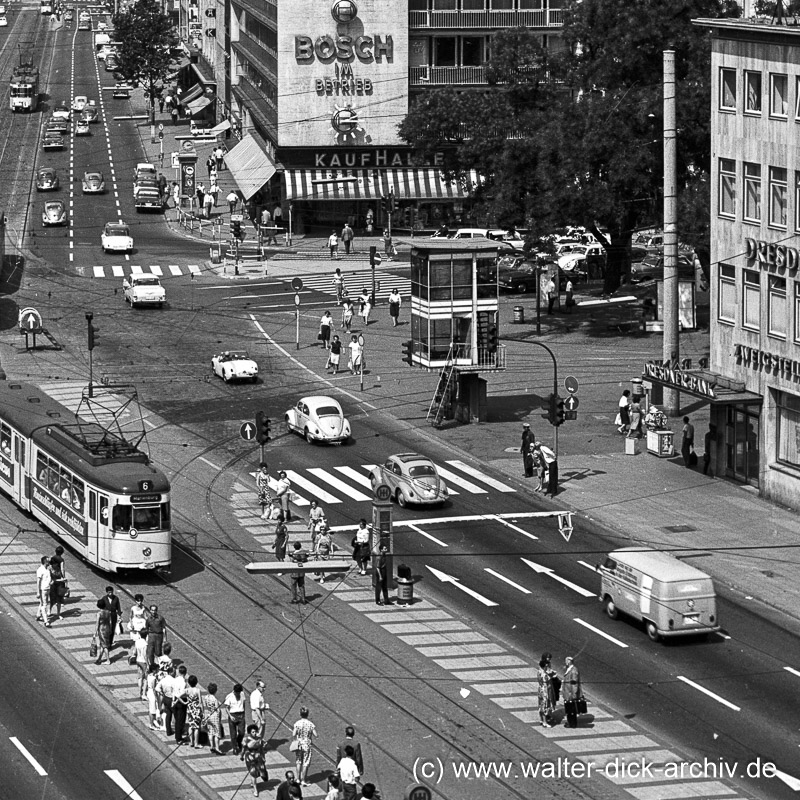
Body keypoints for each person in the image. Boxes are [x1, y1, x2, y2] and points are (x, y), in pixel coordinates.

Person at [291, 707, 317, 786]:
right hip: (307, 745)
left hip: (299, 745)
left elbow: (293, 734)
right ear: (307, 714)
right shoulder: (310, 724)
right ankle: (303, 780)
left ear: (300, 714)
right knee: (305, 762)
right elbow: (316, 734)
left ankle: (298, 779)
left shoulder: (297, 723)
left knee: (298, 761)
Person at [241, 724, 269, 796]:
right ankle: (255, 790)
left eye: (255, 731)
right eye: (253, 732)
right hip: (250, 758)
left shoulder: (259, 739)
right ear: (250, 732)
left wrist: (263, 756)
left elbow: (262, 749)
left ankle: (252, 782)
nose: (254, 733)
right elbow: (243, 749)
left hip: (258, 756)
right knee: (253, 773)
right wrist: (241, 756)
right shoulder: (246, 739)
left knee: (260, 771)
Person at [537, 652, 559, 727]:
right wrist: (552, 675)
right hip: (545, 689)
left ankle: (544, 718)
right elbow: (545, 678)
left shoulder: (543, 670)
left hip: (546, 688)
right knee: (545, 704)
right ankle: (544, 721)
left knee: (546, 704)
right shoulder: (542, 673)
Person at [224, 683, 247, 755]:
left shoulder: (242, 694)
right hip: (233, 714)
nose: (238, 694)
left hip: (241, 714)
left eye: (239, 693)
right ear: (234, 692)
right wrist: (230, 716)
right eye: (237, 693)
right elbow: (226, 707)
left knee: (242, 732)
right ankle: (235, 747)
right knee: (233, 734)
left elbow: (243, 703)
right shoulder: (229, 696)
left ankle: (238, 741)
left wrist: (243, 713)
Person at [562, 656, 583, 728]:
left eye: (566, 661)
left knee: (571, 710)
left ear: (568, 662)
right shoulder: (569, 669)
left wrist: (574, 695)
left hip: (570, 694)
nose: (565, 662)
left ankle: (572, 723)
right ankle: (570, 722)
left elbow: (575, 685)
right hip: (568, 693)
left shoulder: (573, 671)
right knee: (569, 709)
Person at [203, 682, 224, 754]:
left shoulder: (206, 697)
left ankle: (212, 746)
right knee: (217, 733)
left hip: (209, 715)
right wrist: (219, 717)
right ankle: (217, 748)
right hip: (215, 716)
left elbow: (205, 706)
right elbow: (217, 709)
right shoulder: (214, 699)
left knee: (210, 732)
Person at [172, 664, 189, 745]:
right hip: (180, 701)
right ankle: (179, 738)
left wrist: (173, 700)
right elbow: (181, 693)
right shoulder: (183, 682)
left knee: (177, 719)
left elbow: (173, 691)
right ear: (185, 673)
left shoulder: (175, 679)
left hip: (174, 699)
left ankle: (178, 735)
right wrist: (184, 702)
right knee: (180, 720)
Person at [186, 675, 203, 748]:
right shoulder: (198, 690)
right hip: (196, 710)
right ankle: (196, 743)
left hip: (189, 709)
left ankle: (191, 742)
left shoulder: (187, 690)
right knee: (196, 727)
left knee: (190, 726)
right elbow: (200, 702)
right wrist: (202, 711)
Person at [95, 598, 113, 665]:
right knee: (104, 643)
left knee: (104, 646)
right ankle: (99, 658)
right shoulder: (108, 612)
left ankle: (108, 660)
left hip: (101, 630)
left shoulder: (99, 613)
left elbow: (97, 624)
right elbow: (110, 622)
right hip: (107, 629)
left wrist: (95, 632)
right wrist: (111, 629)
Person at [36, 556, 52, 626]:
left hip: (48, 588)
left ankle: (38, 615)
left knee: (42, 603)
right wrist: (38, 592)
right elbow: (38, 582)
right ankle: (46, 621)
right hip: (43, 589)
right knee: (44, 605)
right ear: (45, 562)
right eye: (48, 561)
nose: (49, 562)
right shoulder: (40, 570)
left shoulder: (47, 569)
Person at [134, 629, 149, 699]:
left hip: (138, 660)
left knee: (140, 677)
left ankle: (139, 693)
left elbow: (135, 651)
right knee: (145, 678)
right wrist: (148, 663)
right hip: (143, 662)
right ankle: (143, 694)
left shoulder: (137, 642)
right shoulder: (145, 644)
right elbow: (145, 655)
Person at [146, 664, 161, 730]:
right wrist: (156, 697)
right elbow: (154, 689)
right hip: (152, 693)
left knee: (150, 709)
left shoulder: (149, 675)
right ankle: (151, 724)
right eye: (157, 669)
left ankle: (151, 722)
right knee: (153, 710)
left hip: (149, 691)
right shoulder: (154, 678)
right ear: (154, 670)